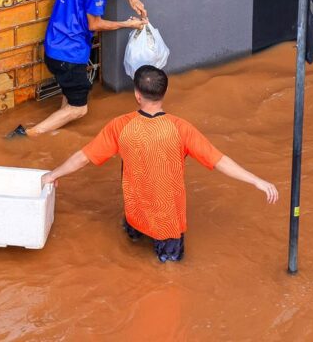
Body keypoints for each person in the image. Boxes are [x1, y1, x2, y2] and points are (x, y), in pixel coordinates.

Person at [40, 65, 279, 263]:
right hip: (168, 222)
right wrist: (256, 180)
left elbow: (84, 157)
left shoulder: (120, 126)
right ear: (164, 93)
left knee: (130, 249)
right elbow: (219, 161)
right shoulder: (180, 129)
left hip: (135, 214)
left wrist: (52, 174)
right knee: (168, 274)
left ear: (137, 94)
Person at [10, 0, 148, 138]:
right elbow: (95, 24)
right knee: (79, 109)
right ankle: (27, 135)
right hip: (69, 53)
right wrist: (128, 24)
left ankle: (54, 133)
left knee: (70, 98)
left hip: (55, 43)